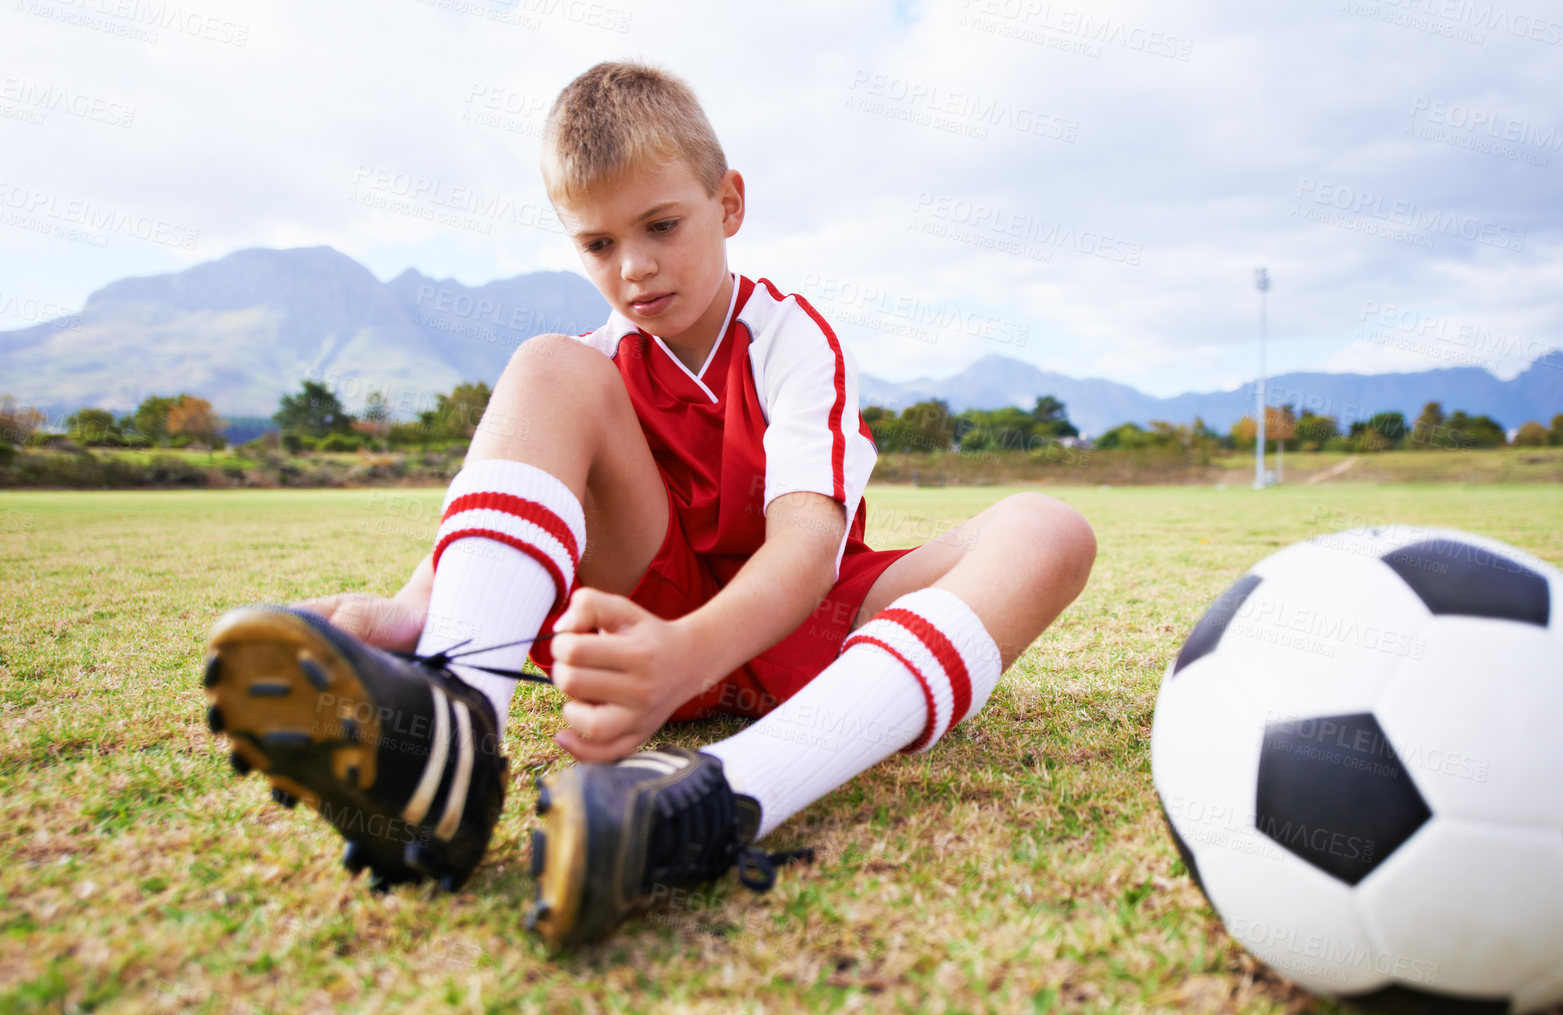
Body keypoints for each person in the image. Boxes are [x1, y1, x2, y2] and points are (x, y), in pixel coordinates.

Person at [203, 61, 1096, 946]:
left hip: (799, 621)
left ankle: (716, 794)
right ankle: (455, 723)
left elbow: (807, 545)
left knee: (1048, 530)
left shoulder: (790, 337)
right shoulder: (595, 358)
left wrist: (686, 657)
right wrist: (413, 605)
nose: (634, 267)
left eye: (661, 225)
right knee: (547, 366)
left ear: (729, 205)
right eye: (597, 244)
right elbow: (515, 470)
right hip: (637, 607)